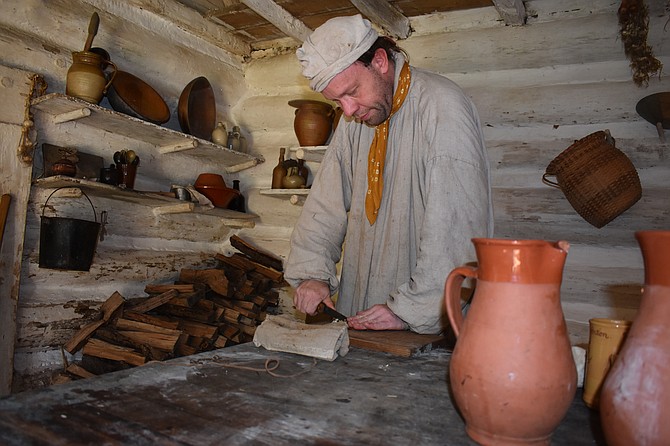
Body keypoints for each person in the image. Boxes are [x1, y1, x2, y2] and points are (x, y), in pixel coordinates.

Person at [284, 14, 494, 334]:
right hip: (362, 309)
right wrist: (312, 274)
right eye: (337, 100)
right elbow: (326, 202)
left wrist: (409, 310)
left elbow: (457, 231)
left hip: (427, 324)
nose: (349, 109)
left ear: (380, 61)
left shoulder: (442, 107)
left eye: (352, 91)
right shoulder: (354, 120)